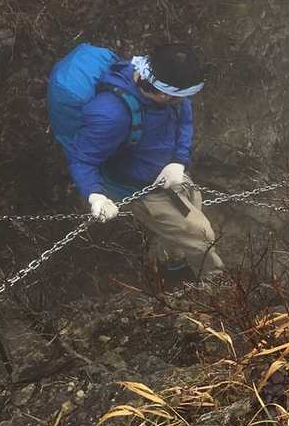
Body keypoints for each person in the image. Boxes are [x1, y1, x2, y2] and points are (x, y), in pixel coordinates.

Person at [65, 43, 225, 284]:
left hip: (169, 173)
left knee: (191, 210)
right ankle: (217, 284)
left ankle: (172, 263)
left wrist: (178, 161)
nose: (184, 101)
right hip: (139, 187)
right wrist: (95, 196)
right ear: (164, 94)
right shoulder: (110, 114)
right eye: (180, 97)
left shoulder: (170, 91)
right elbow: (83, 159)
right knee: (200, 234)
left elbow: (184, 122)